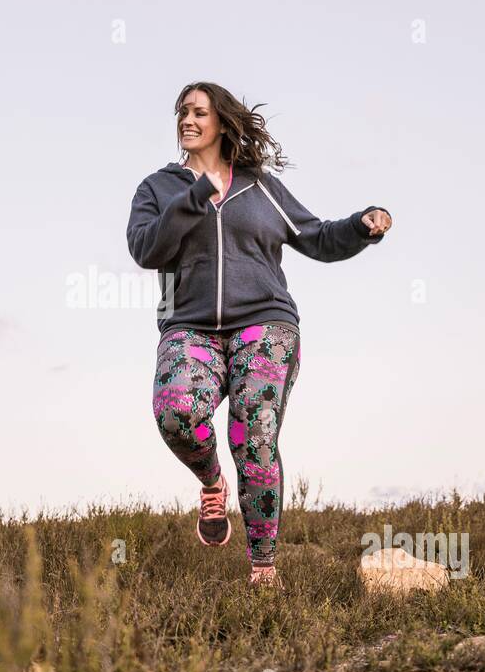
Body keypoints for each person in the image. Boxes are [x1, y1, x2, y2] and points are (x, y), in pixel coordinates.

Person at [126, 82, 392, 588]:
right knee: (177, 412)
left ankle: (264, 568)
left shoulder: (260, 186)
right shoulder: (158, 189)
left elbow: (316, 236)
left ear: (222, 124)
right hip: (189, 326)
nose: (187, 120)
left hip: (266, 322)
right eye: (183, 111)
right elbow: (146, 249)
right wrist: (192, 198)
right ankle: (211, 483)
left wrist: (361, 225)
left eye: (199, 112)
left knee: (254, 432)